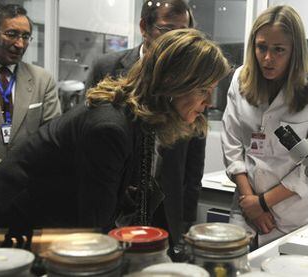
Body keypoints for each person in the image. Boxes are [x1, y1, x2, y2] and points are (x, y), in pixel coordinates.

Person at [0, 29, 230, 235]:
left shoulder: (138, 119)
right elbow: (95, 232)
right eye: (203, 90)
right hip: (12, 229)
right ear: (172, 82)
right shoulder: (110, 128)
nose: (209, 102)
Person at [85, 0, 204, 254]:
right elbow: (90, 142)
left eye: (183, 32)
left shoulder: (189, 75)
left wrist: (187, 216)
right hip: (116, 198)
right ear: (144, 27)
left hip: (166, 201)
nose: (176, 40)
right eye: (167, 30)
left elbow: (194, 152)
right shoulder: (107, 68)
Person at [221, 5, 308, 248]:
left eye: (279, 50)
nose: (267, 58)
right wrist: (251, 203)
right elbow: (231, 143)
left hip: (294, 215)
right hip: (245, 209)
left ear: (294, 52)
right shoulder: (241, 79)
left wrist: (262, 204)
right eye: (261, 47)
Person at [0, 4, 61, 165]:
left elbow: (52, 135)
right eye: (12, 34)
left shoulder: (42, 80)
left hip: (26, 180)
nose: (19, 44)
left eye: (25, 37)